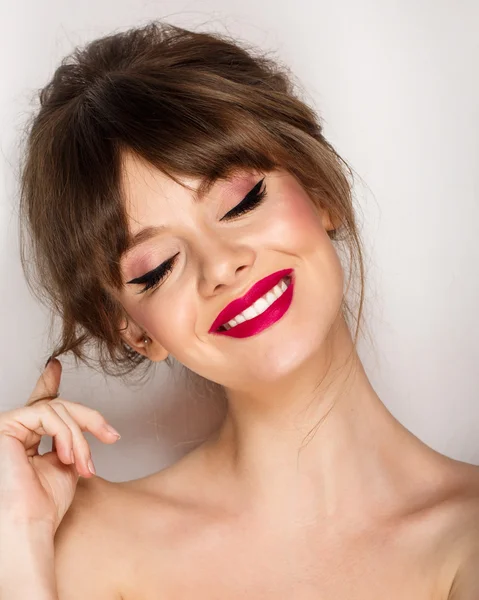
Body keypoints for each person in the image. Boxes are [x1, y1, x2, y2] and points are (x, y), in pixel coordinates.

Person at [1, 20, 478, 599]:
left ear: (320, 192)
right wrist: (20, 543)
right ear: (134, 331)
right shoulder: (81, 547)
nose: (221, 265)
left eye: (242, 200)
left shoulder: (465, 535)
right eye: (157, 268)